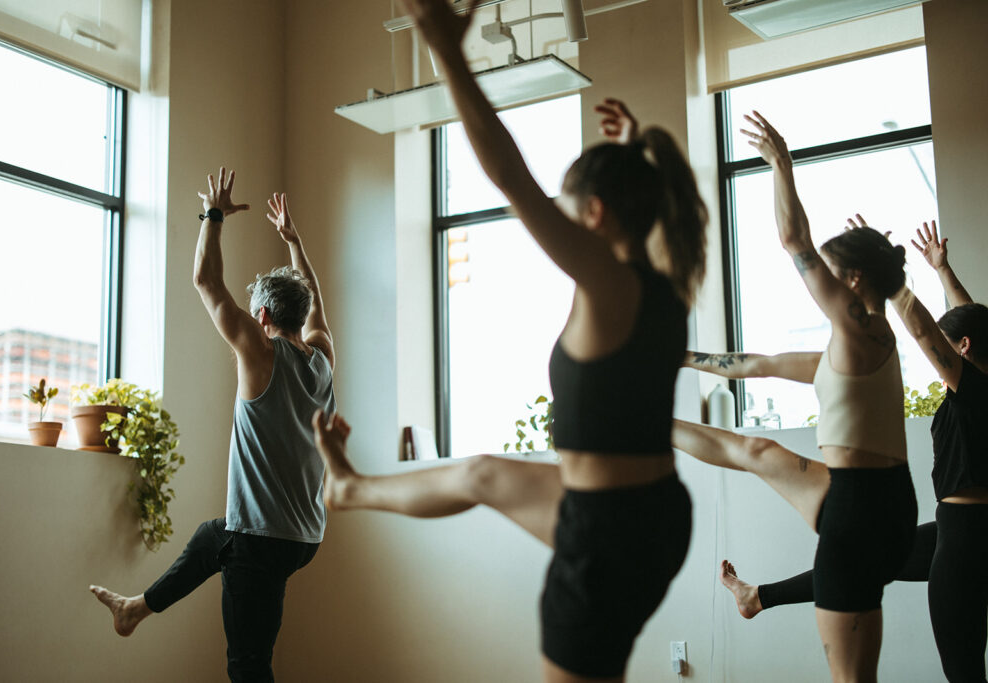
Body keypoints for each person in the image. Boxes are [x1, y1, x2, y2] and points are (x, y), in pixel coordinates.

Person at [332, 2, 707, 677]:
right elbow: (627, 213)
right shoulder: (659, 284)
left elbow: (510, 177)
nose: (558, 221)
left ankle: (349, 488)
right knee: (481, 473)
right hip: (649, 512)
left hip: (609, 531)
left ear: (593, 214)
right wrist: (625, 158)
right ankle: (350, 487)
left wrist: (446, 50)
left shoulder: (609, 282)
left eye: (570, 210)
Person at [684, 112, 917, 682]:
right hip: (880, 501)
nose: (827, 283)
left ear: (855, 281)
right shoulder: (857, 348)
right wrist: (681, 356)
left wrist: (781, 166)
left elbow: (794, 241)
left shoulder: (859, 330)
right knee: (756, 450)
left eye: (837, 273)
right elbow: (755, 365)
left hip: (859, 511)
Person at [710, 224, 988, 683]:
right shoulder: (980, 383)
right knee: (862, 558)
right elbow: (971, 320)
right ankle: (756, 597)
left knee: (963, 672)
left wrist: (891, 281)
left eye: (950, 344)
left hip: (962, 542)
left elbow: (925, 331)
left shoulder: (971, 388)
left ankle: (756, 598)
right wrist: (943, 271)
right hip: (958, 532)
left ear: (962, 349)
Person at [89, 171, 336, 682]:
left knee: (248, 665)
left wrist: (213, 215)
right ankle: (134, 610)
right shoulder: (322, 359)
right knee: (212, 536)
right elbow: (314, 301)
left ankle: (135, 610)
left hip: (261, 538)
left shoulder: (259, 350)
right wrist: (296, 244)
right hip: (304, 538)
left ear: (262, 315)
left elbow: (205, 281)